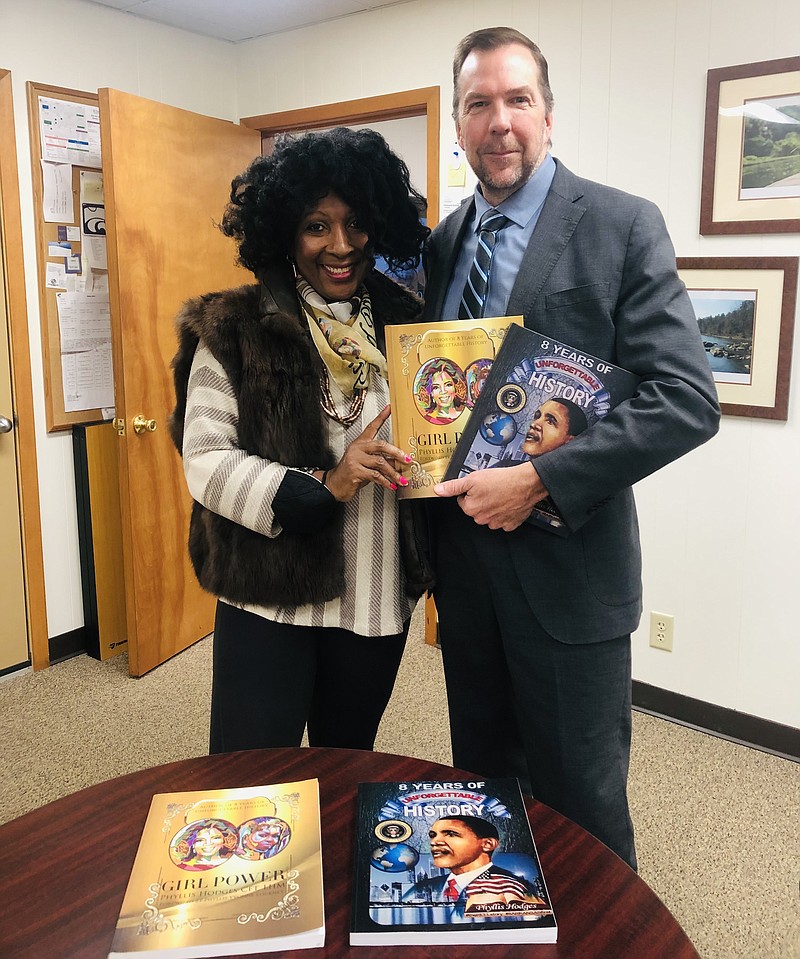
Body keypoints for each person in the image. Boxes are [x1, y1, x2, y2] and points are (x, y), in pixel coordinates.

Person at [424, 27, 720, 870]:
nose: (500, 122)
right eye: (479, 104)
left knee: (583, 812)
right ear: (457, 124)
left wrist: (541, 479)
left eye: (518, 100)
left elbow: (686, 401)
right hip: (466, 579)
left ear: (548, 115)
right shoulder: (445, 242)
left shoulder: (622, 225)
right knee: (484, 796)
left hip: (570, 579)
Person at [169, 127, 434, 755]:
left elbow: (436, 433)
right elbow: (205, 461)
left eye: (356, 224)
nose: (340, 246)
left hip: (376, 597)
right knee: (251, 772)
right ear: (286, 231)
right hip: (271, 598)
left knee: (346, 762)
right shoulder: (232, 328)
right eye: (317, 226)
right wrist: (325, 485)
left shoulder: (413, 326)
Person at [403, 816, 542, 905]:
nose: (434, 842)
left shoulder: (515, 887)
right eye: (433, 836)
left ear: (487, 844)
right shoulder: (422, 887)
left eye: (451, 834)